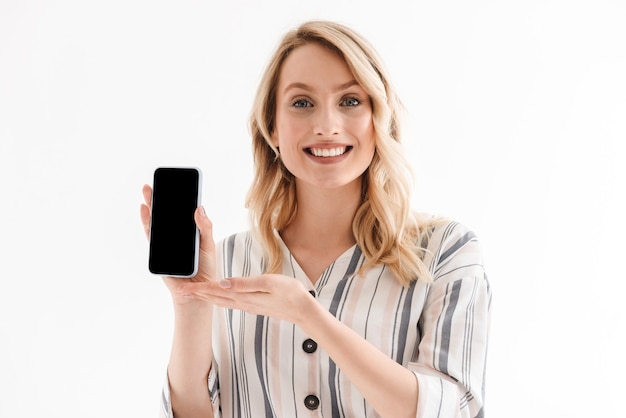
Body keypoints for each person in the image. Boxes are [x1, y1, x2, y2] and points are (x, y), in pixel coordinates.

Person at [141, 20, 491, 418]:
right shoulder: (230, 262)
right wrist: (192, 304)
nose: (326, 126)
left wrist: (308, 314)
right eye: (302, 103)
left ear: (380, 119)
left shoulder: (446, 250)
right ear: (272, 127)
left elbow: (452, 410)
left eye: (351, 101)